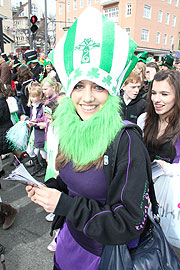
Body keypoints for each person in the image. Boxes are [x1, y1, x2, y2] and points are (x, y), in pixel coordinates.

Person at [26, 7, 152, 270]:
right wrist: (51, 188)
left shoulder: (126, 140)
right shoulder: (72, 127)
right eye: (79, 86)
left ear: (112, 91)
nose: (87, 97)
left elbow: (129, 221)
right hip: (69, 243)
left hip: (105, 256)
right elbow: (73, 180)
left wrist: (66, 205)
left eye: (98, 87)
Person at [137, 69, 180, 248]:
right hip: (144, 192)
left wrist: (169, 168)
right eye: (153, 93)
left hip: (171, 199)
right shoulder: (143, 120)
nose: (157, 99)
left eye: (164, 94)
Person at [21, 81, 47, 177]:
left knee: (42, 151)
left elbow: (39, 121)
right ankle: (38, 166)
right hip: (34, 132)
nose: (32, 99)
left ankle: (44, 167)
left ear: (40, 96)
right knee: (30, 150)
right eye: (31, 97)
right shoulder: (33, 106)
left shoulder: (42, 107)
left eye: (34, 96)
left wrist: (28, 120)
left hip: (40, 132)